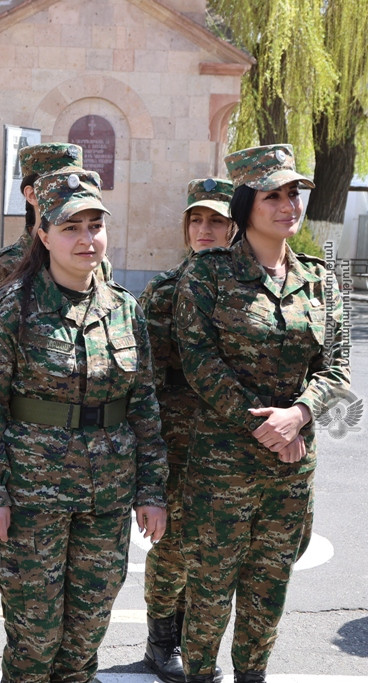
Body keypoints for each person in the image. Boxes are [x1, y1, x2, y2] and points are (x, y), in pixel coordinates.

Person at [0, 168, 167, 683]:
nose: (86, 238)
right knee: (35, 640)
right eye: (71, 227)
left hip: (107, 498)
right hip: (32, 499)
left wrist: (152, 492)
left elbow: (143, 405)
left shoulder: (124, 309)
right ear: (44, 233)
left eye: (95, 226)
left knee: (86, 636)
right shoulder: (13, 306)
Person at [174, 144, 350, 683]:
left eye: (294, 193)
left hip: (290, 470)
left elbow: (337, 369)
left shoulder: (320, 280)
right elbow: (198, 362)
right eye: (273, 195)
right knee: (208, 593)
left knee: (268, 592)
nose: (288, 205)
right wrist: (264, 425)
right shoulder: (207, 275)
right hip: (221, 468)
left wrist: (299, 414)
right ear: (246, 205)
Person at [139, 177, 235, 683]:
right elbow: (145, 378)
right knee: (172, 546)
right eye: (196, 220)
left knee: (217, 549)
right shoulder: (164, 290)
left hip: (232, 443)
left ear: (235, 227)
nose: (204, 229)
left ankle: (196, 638)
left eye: (216, 220)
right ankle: (161, 640)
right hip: (178, 439)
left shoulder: (245, 287)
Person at [0, 143, 85, 301]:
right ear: (32, 195)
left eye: (75, 187)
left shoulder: (91, 259)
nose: (69, 197)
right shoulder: (5, 265)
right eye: (57, 187)